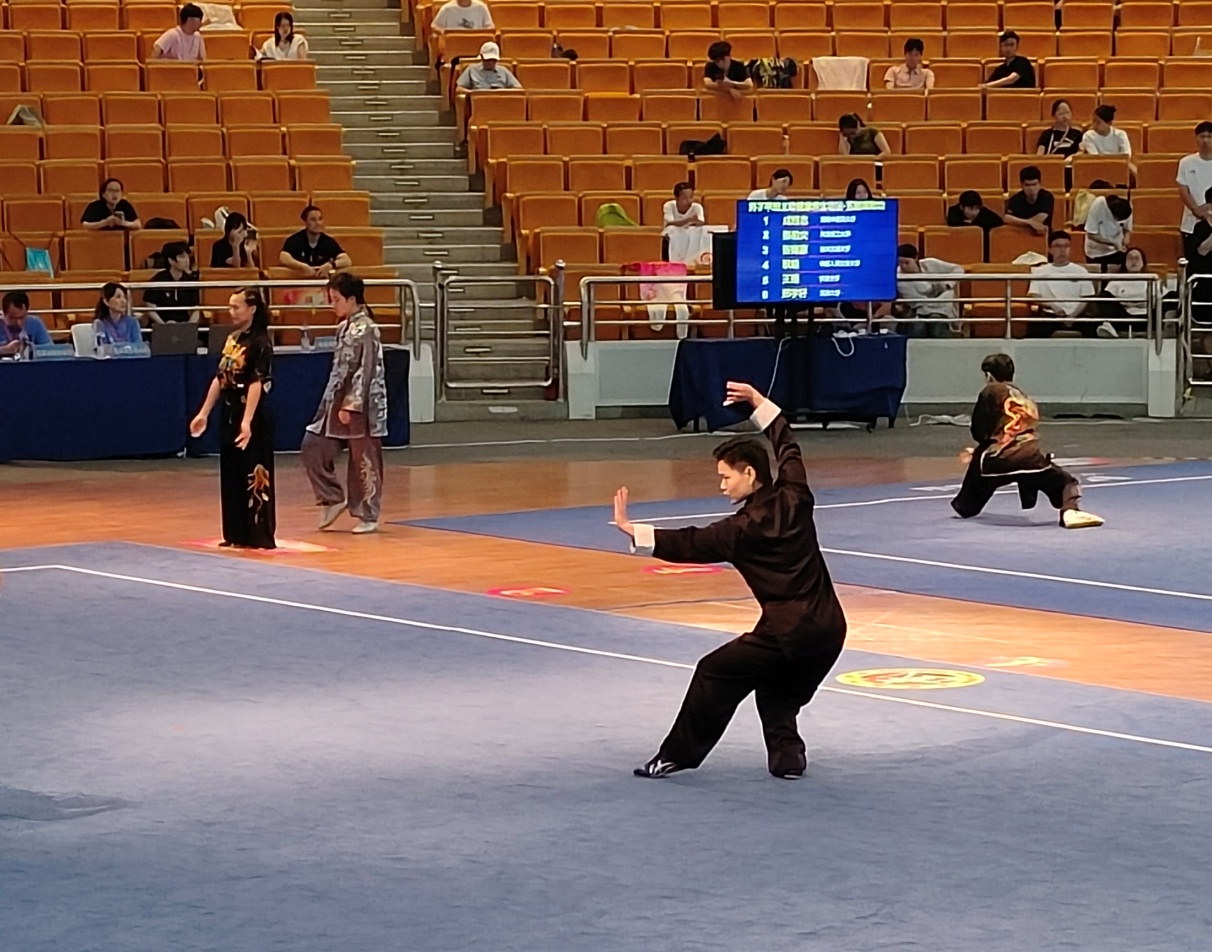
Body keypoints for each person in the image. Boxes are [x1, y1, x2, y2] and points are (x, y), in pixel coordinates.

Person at [613, 381, 848, 780]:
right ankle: (788, 761)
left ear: (749, 473)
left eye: (726, 477)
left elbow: (690, 542)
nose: (721, 485)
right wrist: (759, 402)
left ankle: (675, 756)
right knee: (777, 692)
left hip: (786, 633)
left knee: (713, 671)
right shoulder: (796, 494)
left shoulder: (739, 531)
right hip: (830, 629)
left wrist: (632, 530)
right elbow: (787, 444)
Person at [951, 353, 1104, 529]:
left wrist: (979, 448)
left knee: (966, 506)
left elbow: (979, 429)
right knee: (1067, 483)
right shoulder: (1024, 397)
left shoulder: (990, 391)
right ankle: (1070, 511)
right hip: (1030, 458)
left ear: (988, 375)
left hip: (996, 460)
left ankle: (965, 505)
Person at [301, 274, 389, 535]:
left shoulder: (368, 329)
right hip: (335, 402)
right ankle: (331, 497)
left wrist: (352, 404)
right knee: (312, 444)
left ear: (352, 299)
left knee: (364, 459)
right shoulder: (343, 328)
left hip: (364, 405)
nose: (333, 305)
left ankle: (368, 513)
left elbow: (367, 369)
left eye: (336, 299)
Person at [189, 289, 276, 549]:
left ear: (252, 309)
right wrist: (204, 412)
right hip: (229, 412)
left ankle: (258, 534)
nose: (231, 312)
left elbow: (257, 383)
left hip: (251, 413)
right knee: (232, 472)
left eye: (236, 307)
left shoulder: (261, 342)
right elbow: (221, 378)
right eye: (230, 306)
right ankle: (235, 533)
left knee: (254, 473)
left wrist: (247, 422)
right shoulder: (232, 339)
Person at [1027, 230, 1097, 336]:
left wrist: (1072, 316)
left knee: (1092, 327)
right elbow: (1034, 295)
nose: (1062, 250)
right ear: (1050, 249)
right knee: (1034, 329)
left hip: (1077, 315)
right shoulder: (1039, 271)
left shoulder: (1081, 271)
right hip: (1051, 315)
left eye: (1066, 246)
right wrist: (1053, 306)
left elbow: (1086, 298)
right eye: (1058, 246)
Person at [895, 244, 963, 337]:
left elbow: (958, 269)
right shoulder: (899, 277)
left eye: (907, 263)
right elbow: (917, 301)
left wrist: (946, 285)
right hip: (920, 310)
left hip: (941, 307)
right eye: (900, 263)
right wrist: (938, 296)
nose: (903, 266)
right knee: (919, 328)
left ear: (916, 259)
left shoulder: (931, 264)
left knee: (936, 324)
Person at [280, 205, 351, 276]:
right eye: (313, 220)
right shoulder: (295, 240)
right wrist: (302, 266)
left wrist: (331, 265)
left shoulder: (328, 242)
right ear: (305, 222)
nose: (318, 223)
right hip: (300, 279)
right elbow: (283, 257)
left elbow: (346, 260)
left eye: (320, 219)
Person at [1177, 122, 1212, 261]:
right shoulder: (1186, 162)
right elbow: (1183, 189)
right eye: (1202, 136)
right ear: (1196, 138)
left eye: (1209, 137)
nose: (1206, 140)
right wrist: (1196, 209)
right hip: (1191, 223)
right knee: (1193, 263)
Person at [144, 241, 201, 324]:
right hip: (162, 324)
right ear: (171, 261)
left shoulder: (190, 281)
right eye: (182, 257)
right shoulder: (158, 280)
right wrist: (164, 325)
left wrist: (189, 325)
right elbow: (150, 308)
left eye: (187, 256)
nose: (187, 260)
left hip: (183, 324)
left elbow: (195, 309)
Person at [1101, 246, 1152, 337]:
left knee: (1171, 296)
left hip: (1148, 318)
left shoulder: (1151, 280)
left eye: (1137, 258)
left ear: (1143, 263)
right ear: (1124, 263)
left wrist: (1128, 302)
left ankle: (1170, 325)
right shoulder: (1116, 282)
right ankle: (1107, 325)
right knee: (1103, 297)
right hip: (1124, 319)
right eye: (1130, 258)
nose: (1134, 261)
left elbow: (1156, 301)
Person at [1082, 193, 1133, 272]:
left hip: (1117, 250)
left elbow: (1127, 229)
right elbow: (1091, 234)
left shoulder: (1127, 206)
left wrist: (1125, 239)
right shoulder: (1098, 205)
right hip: (1096, 252)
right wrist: (1113, 243)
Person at [662, 181, 709, 265]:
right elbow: (670, 223)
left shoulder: (697, 207)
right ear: (677, 198)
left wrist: (688, 223)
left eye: (691, 197)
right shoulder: (669, 206)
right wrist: (689, 220)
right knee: (671, 229)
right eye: (684, 198)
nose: (689, 200)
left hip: (691, 235)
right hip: (674, 237)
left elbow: (701, 222)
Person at [1004, 166, 1055, 235]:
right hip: (1020, 235)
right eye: (1027, 185)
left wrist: (1019, 221)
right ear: (1022, 185)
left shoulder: (1046, 197)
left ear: (1040, 184)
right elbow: (1007, 218)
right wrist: (1030, 223)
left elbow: (1040, 218)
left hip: (1043, 234)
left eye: (1034, 184)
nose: (1031, 189)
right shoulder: (1015, 199)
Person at [0, 291, 52, 357]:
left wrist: (30, 349)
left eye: (22, 317)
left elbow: (49, 349)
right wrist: (5, 350)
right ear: (4, 313)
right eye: (12, 318)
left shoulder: (35, 323)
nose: (19, 323)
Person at [456, 42, 522, 90]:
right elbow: (459, 88)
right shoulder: (472, 69)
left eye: (493, 60)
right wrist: (471, 93)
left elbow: (518, 89)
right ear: (482, 57)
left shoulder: (503, 70)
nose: (490, 63)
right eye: (487, 60)